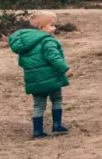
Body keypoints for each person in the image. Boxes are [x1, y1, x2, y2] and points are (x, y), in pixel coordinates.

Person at [8, 11, 72, 139]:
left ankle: (38, 131)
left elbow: (22, 62)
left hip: (34, 80)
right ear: (42, 27)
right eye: (52, 25)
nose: (55, 28)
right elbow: (54, 58)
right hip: (51, 79)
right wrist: (65, 69)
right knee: (57, 99)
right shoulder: (47, 40)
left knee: (38, 105)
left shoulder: (26, 43)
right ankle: (57, 125)